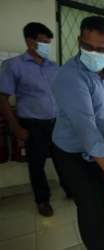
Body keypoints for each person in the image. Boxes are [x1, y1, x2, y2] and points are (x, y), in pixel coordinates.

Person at [51, 16, 104, 250]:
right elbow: (86, 127)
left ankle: (102, 239)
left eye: (100, 49)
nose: (93, 53)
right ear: (79, 41)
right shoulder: (70, 77)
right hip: (73, 153)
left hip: (103, 151)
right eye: (87, 47)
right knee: (90, 208)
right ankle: (97, 245)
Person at [0, 22, 70, 217]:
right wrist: (16, 128)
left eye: (48, 42)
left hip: (57, 125)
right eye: (42, 41)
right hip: (33, 125)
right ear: (30, 41)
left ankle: (70, 190)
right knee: (36, 165)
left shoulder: (54, 67)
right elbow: (2, 99)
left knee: (63, 160)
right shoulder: (13, 66)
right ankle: (42, 200)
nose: (47, 45)